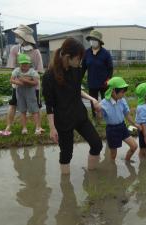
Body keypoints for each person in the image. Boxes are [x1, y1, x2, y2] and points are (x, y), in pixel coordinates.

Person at [42, 38, 103, 175]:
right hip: (63, 119)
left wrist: (93, 99)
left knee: (97, 144)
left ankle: (91, 177)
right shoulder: (49, 76)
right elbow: (49, 105)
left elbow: (76, 90)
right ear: (68, 57)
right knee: (66, 154)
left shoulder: (76, 70)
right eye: (78, 58)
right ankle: (66, 186)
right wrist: (52, 128)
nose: (79, 62)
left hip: (79, 115)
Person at [0, 24, 44, 136]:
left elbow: (39, 70)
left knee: (36, 106)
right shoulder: (15, 49)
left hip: (33, 86)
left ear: (24, 37)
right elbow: (13, 68)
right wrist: (20, 80)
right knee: (13, 104)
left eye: (18, 35)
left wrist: (27, 79)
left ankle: (39, 127)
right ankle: (8, 127)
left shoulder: (35, 52)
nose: (16, 37)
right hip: (18, 86)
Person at [100, 77, 139, 161]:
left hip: (122, 127)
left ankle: (127, 160)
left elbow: (127, 115)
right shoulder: (103, 104)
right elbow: (99, 118)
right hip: (112, 130)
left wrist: (135, 124)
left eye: (124, 92)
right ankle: (112, 168)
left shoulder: (122, 100)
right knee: (113, 154)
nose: (123, 94)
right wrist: (98, 111)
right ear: (113, 91)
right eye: (122, 92)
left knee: (134, 146)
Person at [82, 30, 113, 118]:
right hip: (92, 82)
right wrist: (78, 79)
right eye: (91, 39)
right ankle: (95, 115)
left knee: (105, 100)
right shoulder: (87, 53)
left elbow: (110, 68)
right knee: (93, 100)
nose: (93, 41)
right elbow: (83, 68)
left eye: (94, 39)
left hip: (104, 82)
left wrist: (108, 79)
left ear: (99, 41)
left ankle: (105, 115)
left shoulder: (105, 53)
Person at [10, 54, 41, 134]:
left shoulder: (32, 71)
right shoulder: (17, 70)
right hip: (20, 92)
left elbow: (35, 82)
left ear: (29, 64)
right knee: (22, 110)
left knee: (34, 110)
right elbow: (12, 80)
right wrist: (19, 82)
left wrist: (24, 80)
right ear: (19, 64)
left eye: (26, 64)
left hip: (30, 92)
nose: (24, 65)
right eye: (23, 64)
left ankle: (37, 128)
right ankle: (24, 128)